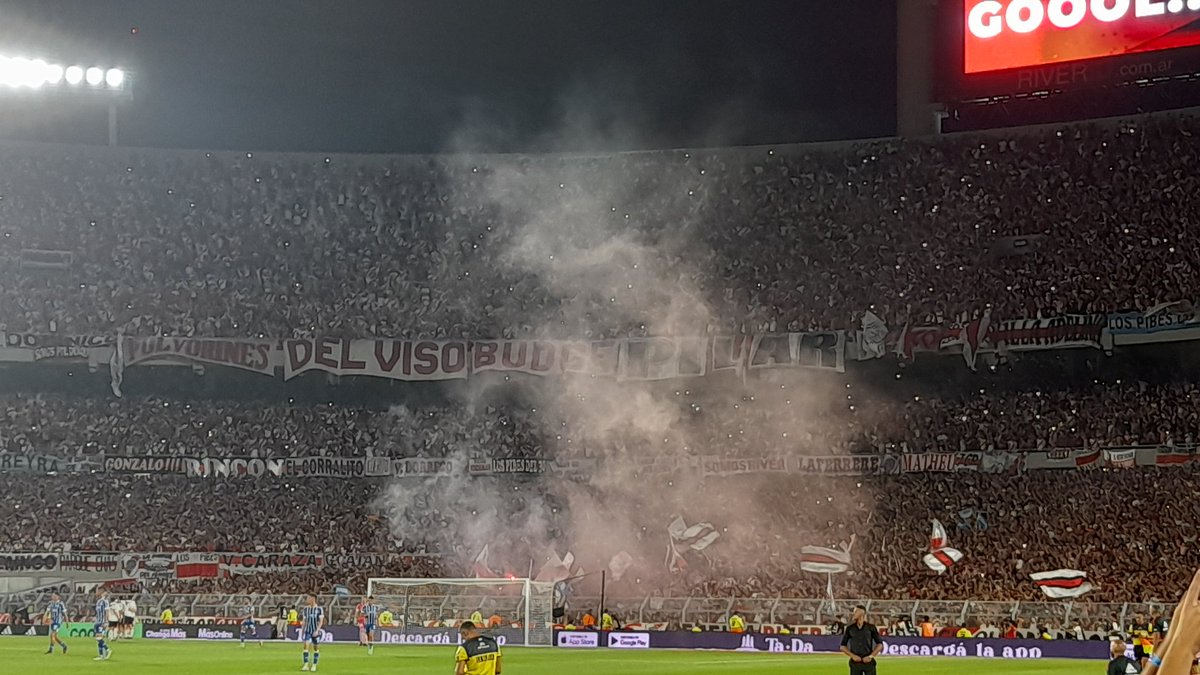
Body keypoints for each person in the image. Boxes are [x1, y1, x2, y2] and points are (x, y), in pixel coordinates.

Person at [840, 605, 883, 675]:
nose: (854, 613)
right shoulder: (850, 628)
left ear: (862, 613)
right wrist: (853, 656)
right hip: (855, 663)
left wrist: (870, 656)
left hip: (869, 662)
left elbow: (880, 644)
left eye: (856, 611)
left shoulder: (871, 628)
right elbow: (842, 646)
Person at [299, 595, 324, 672]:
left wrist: (317, 630)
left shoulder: (319, 609)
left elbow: (321, 621)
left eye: (308, 598)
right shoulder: (306, 609)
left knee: (316, 648)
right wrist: (302, 631)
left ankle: (314, 665)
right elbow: (304, 621)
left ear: (313, 599)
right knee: (306, 646)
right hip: (308, 631)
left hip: (315, 631)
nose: (307, 599)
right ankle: (306, 665)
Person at [93, 589, 112, 661]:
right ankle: (101, 656)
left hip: (102, 622)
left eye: (99, 591)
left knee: (99, 638)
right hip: (97, 622)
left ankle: (108, 650)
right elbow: (98, 613)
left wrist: (106, 622)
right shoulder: (98, 601)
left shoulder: (105, 601)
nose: (97, 592)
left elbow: (107, 612)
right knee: (98, 639)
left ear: (103, 593)